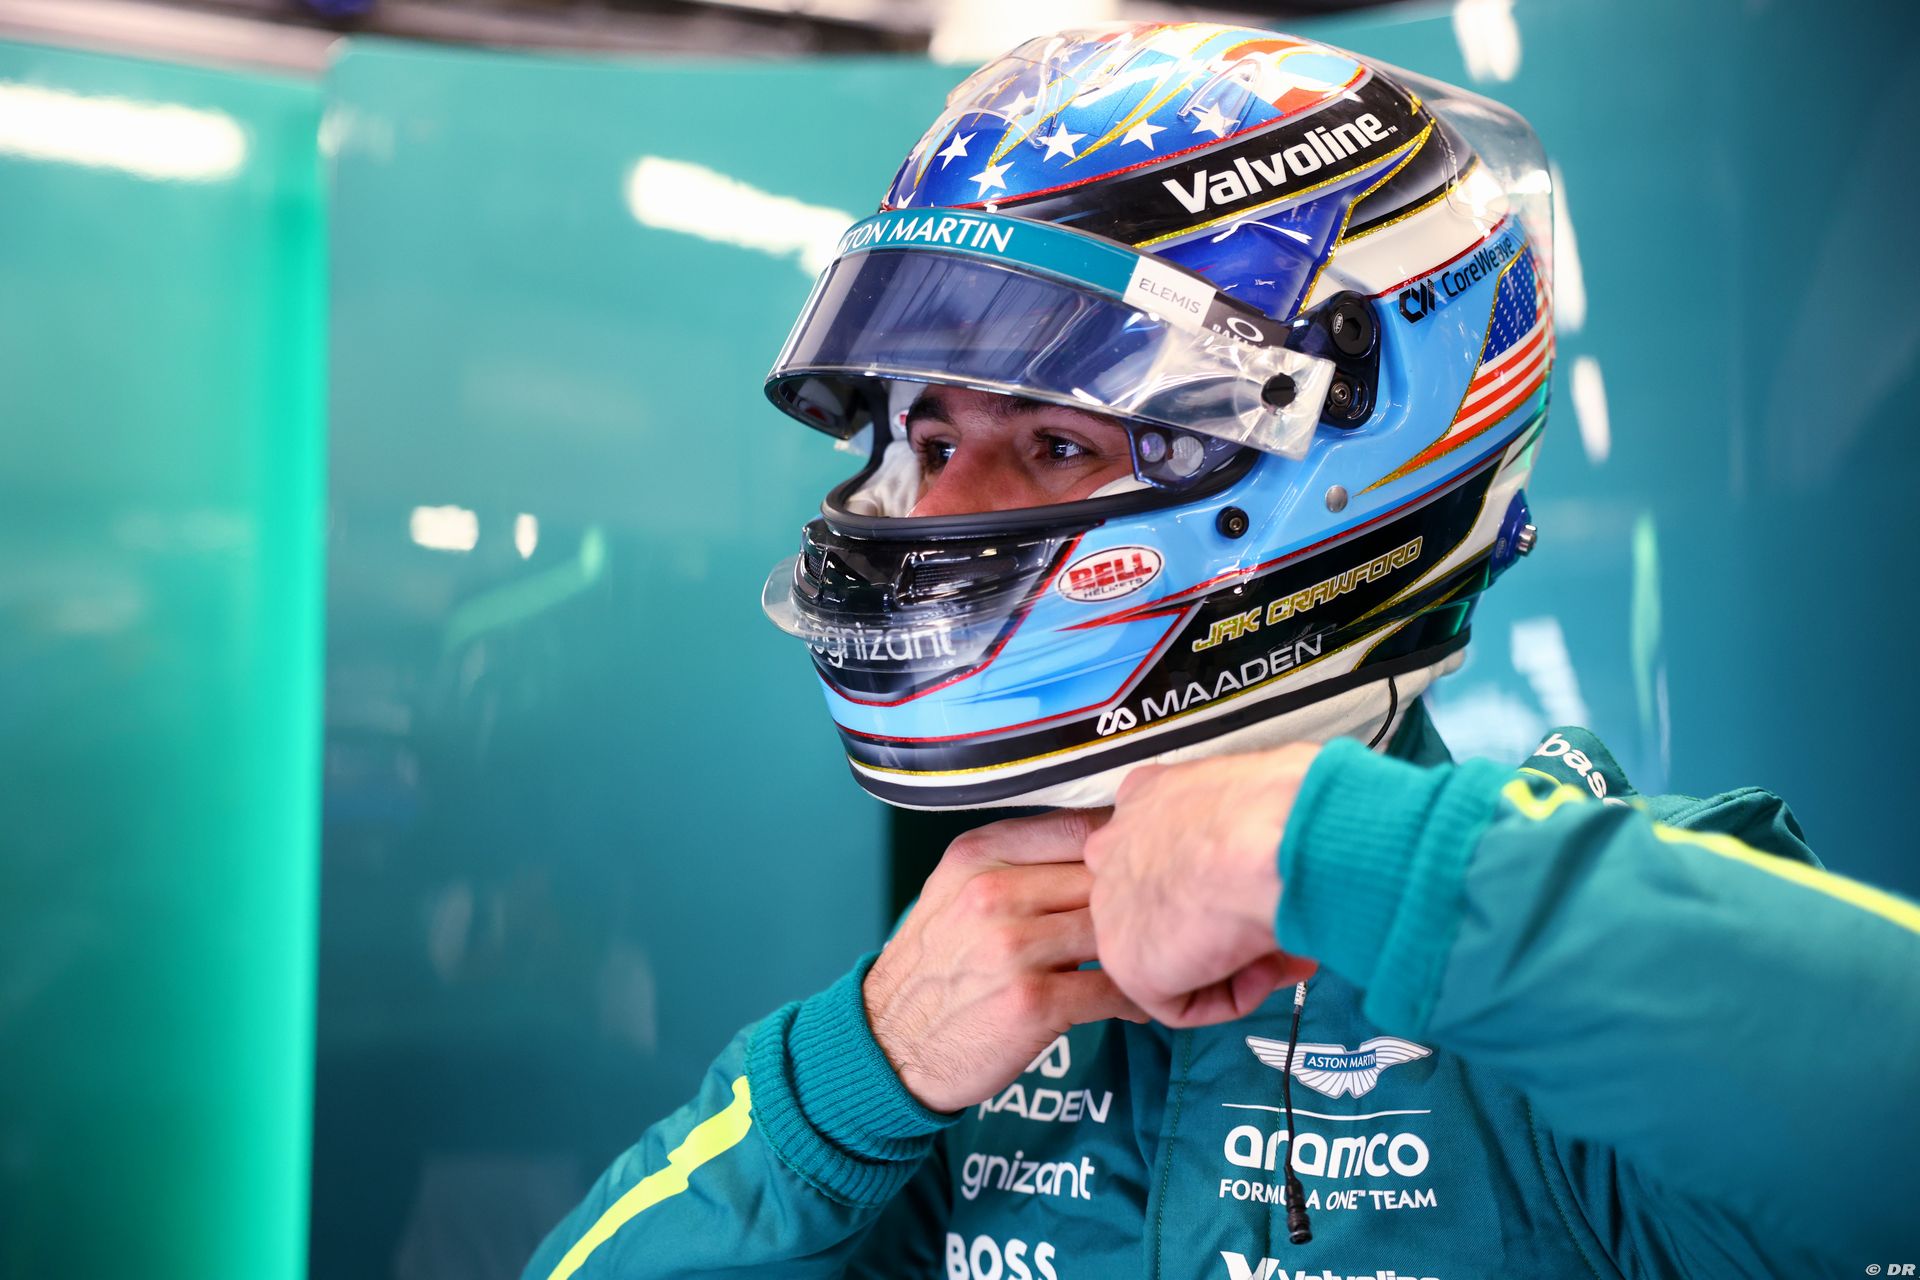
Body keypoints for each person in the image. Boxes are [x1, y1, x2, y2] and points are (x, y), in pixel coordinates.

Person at [524, 22, 1919, 1280]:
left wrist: (1343, 860)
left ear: (1336, 471)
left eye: (1055, 441)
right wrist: (860, 1076)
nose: (934, 514)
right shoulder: (974, 1004)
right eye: (932, 445)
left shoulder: (1597, 963)